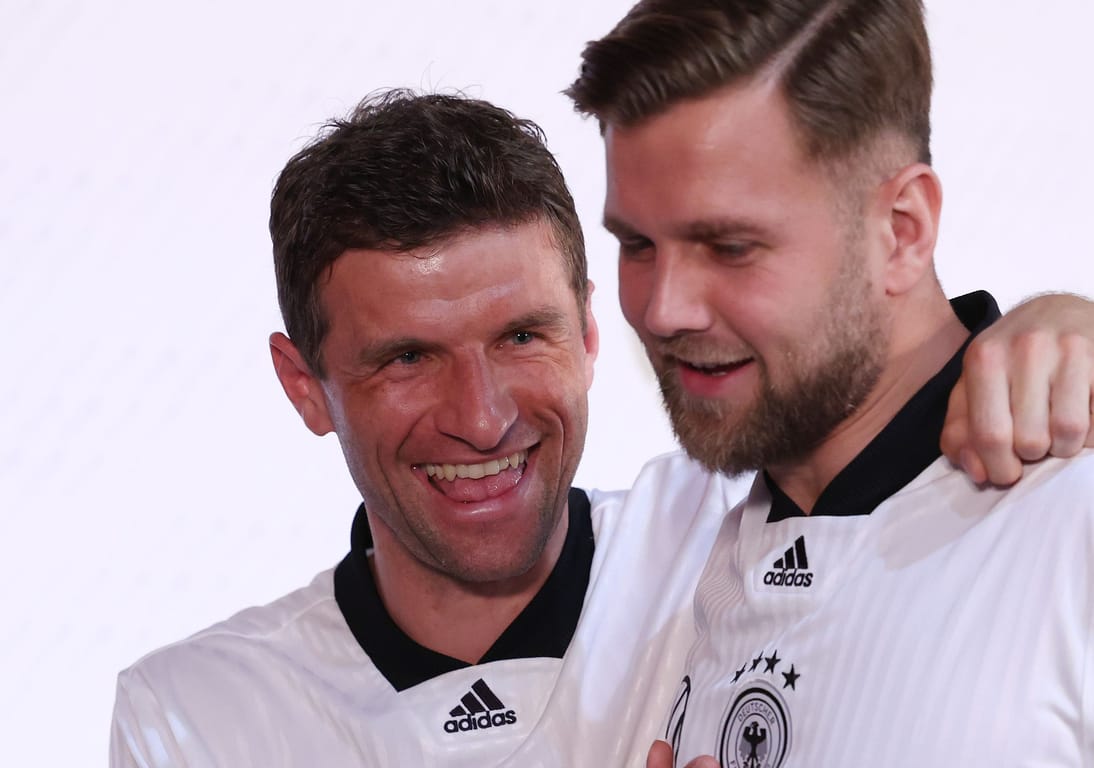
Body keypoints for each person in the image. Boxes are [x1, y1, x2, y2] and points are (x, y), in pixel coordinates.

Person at [110, 86, 1091, 765]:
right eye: (407, 357)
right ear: (305, 385)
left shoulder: (718, 536)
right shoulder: (200, 719)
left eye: (521, 335)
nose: (482, 417)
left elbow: (876, 391)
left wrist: (1061, 327)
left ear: (587, 329)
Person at [567, 0, 1094, 765]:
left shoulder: (1072, 522)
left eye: (730, 246)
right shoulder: (679, 554)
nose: (661, 308)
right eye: (637, 243)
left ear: (902, 230)